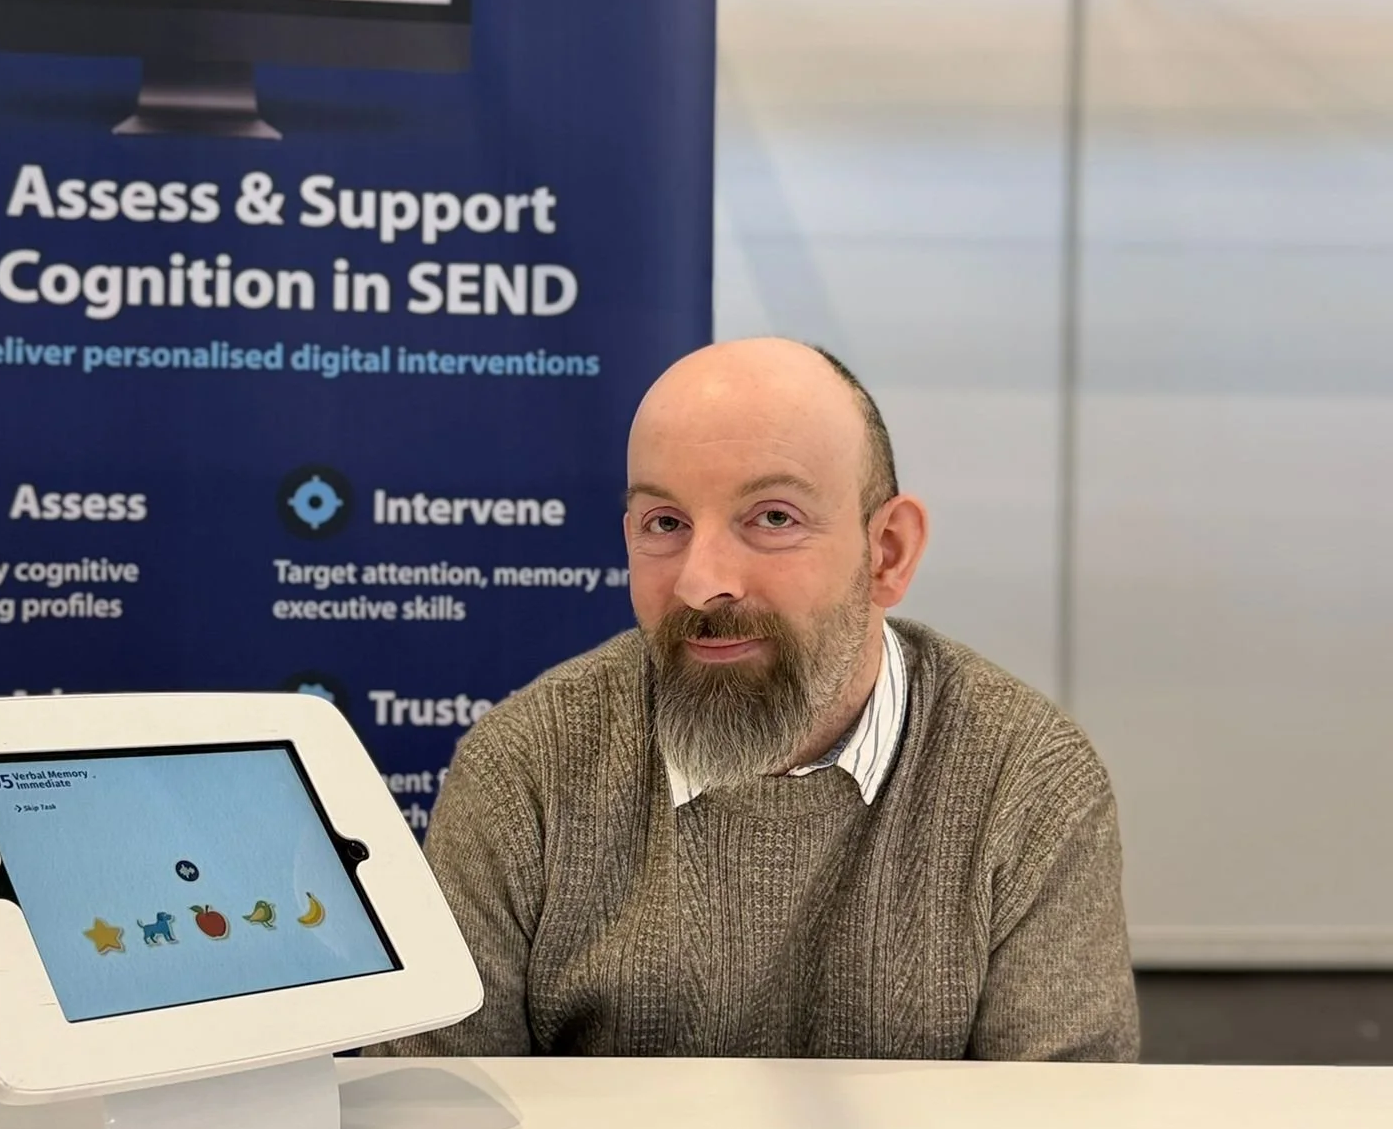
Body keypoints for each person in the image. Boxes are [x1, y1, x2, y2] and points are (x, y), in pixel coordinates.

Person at [390, 338, 1140, 1062]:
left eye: (773, 518)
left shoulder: (1026, 781)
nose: (699, 582)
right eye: (665, 524)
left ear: (888, 553)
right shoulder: (524, 772)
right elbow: (432, 1111)